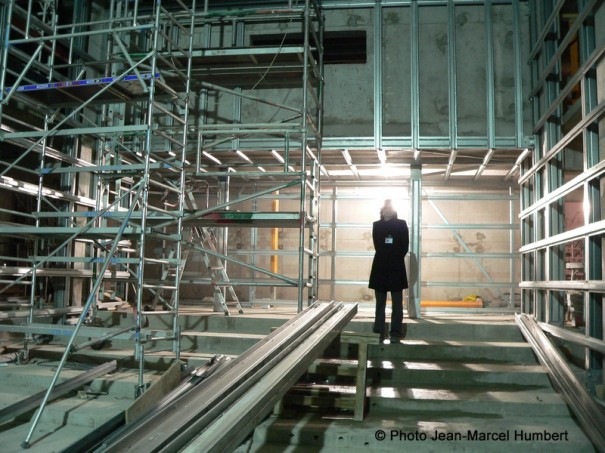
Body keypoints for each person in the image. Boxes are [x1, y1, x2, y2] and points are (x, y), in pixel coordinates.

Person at [368, 199, 409, 344]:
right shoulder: (376, 225)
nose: (388, 210)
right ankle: (379, 332)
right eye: (386, 208)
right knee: (380, 303)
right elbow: (377, 245)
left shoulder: (401, 224)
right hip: (380, 267)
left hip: (396, 268)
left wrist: (394, 258)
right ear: (382, 210)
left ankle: (395, 334)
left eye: (391, 208)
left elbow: (405, 246)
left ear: (394, 209)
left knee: (397, 304)